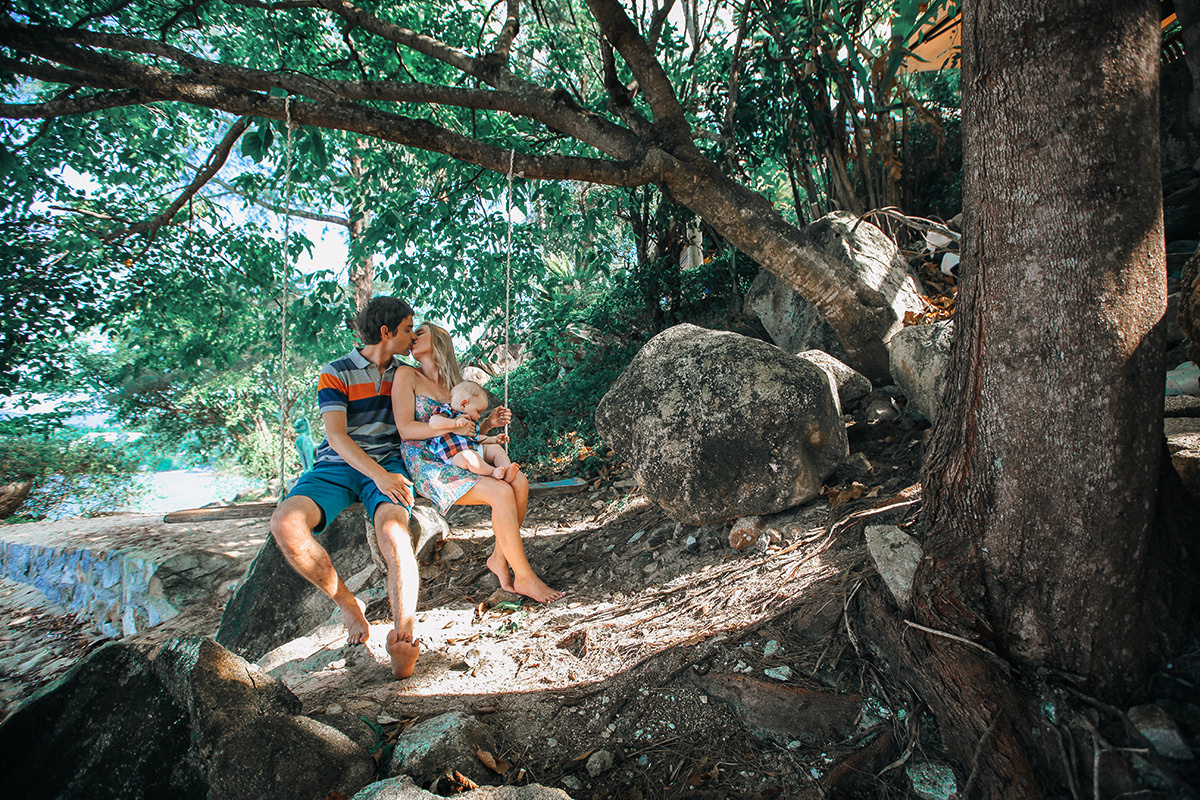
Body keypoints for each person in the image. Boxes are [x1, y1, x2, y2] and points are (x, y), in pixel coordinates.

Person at [268, 296, 422, 680]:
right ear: (386, 332)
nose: (413, 335)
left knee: (395, 534)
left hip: (389, 465)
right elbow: (336, 437)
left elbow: (443, 410)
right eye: (407, 329)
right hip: (337, 467)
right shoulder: (335, 372)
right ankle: (347, 604)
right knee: (285, 524)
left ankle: (404, 637)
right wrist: (379, 476)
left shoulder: (406, 373)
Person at [392, 321, 563, 603]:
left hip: (456, 455)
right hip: (426, 458)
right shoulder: (406, 375)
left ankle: (498, 558)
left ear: (438, 339)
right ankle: (524, 577)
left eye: (418, 332)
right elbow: (406, 430)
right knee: (500, 491)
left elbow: (465, 436)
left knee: (518, 480)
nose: (411, 337)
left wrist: (487, 424)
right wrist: (449, 427)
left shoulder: (455, 385)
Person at [425, 380, 520, 482]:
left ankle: (507, 469)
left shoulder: (471, 421)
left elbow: (475, 438)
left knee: (495, 448)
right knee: (468, 456)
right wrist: (454, 424)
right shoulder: (448, 412)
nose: (479, 416)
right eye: (478, 411)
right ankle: (492, 471)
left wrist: (493, 439)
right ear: (464, 404)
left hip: (474, 450)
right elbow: (433, 422)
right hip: (454, 457)